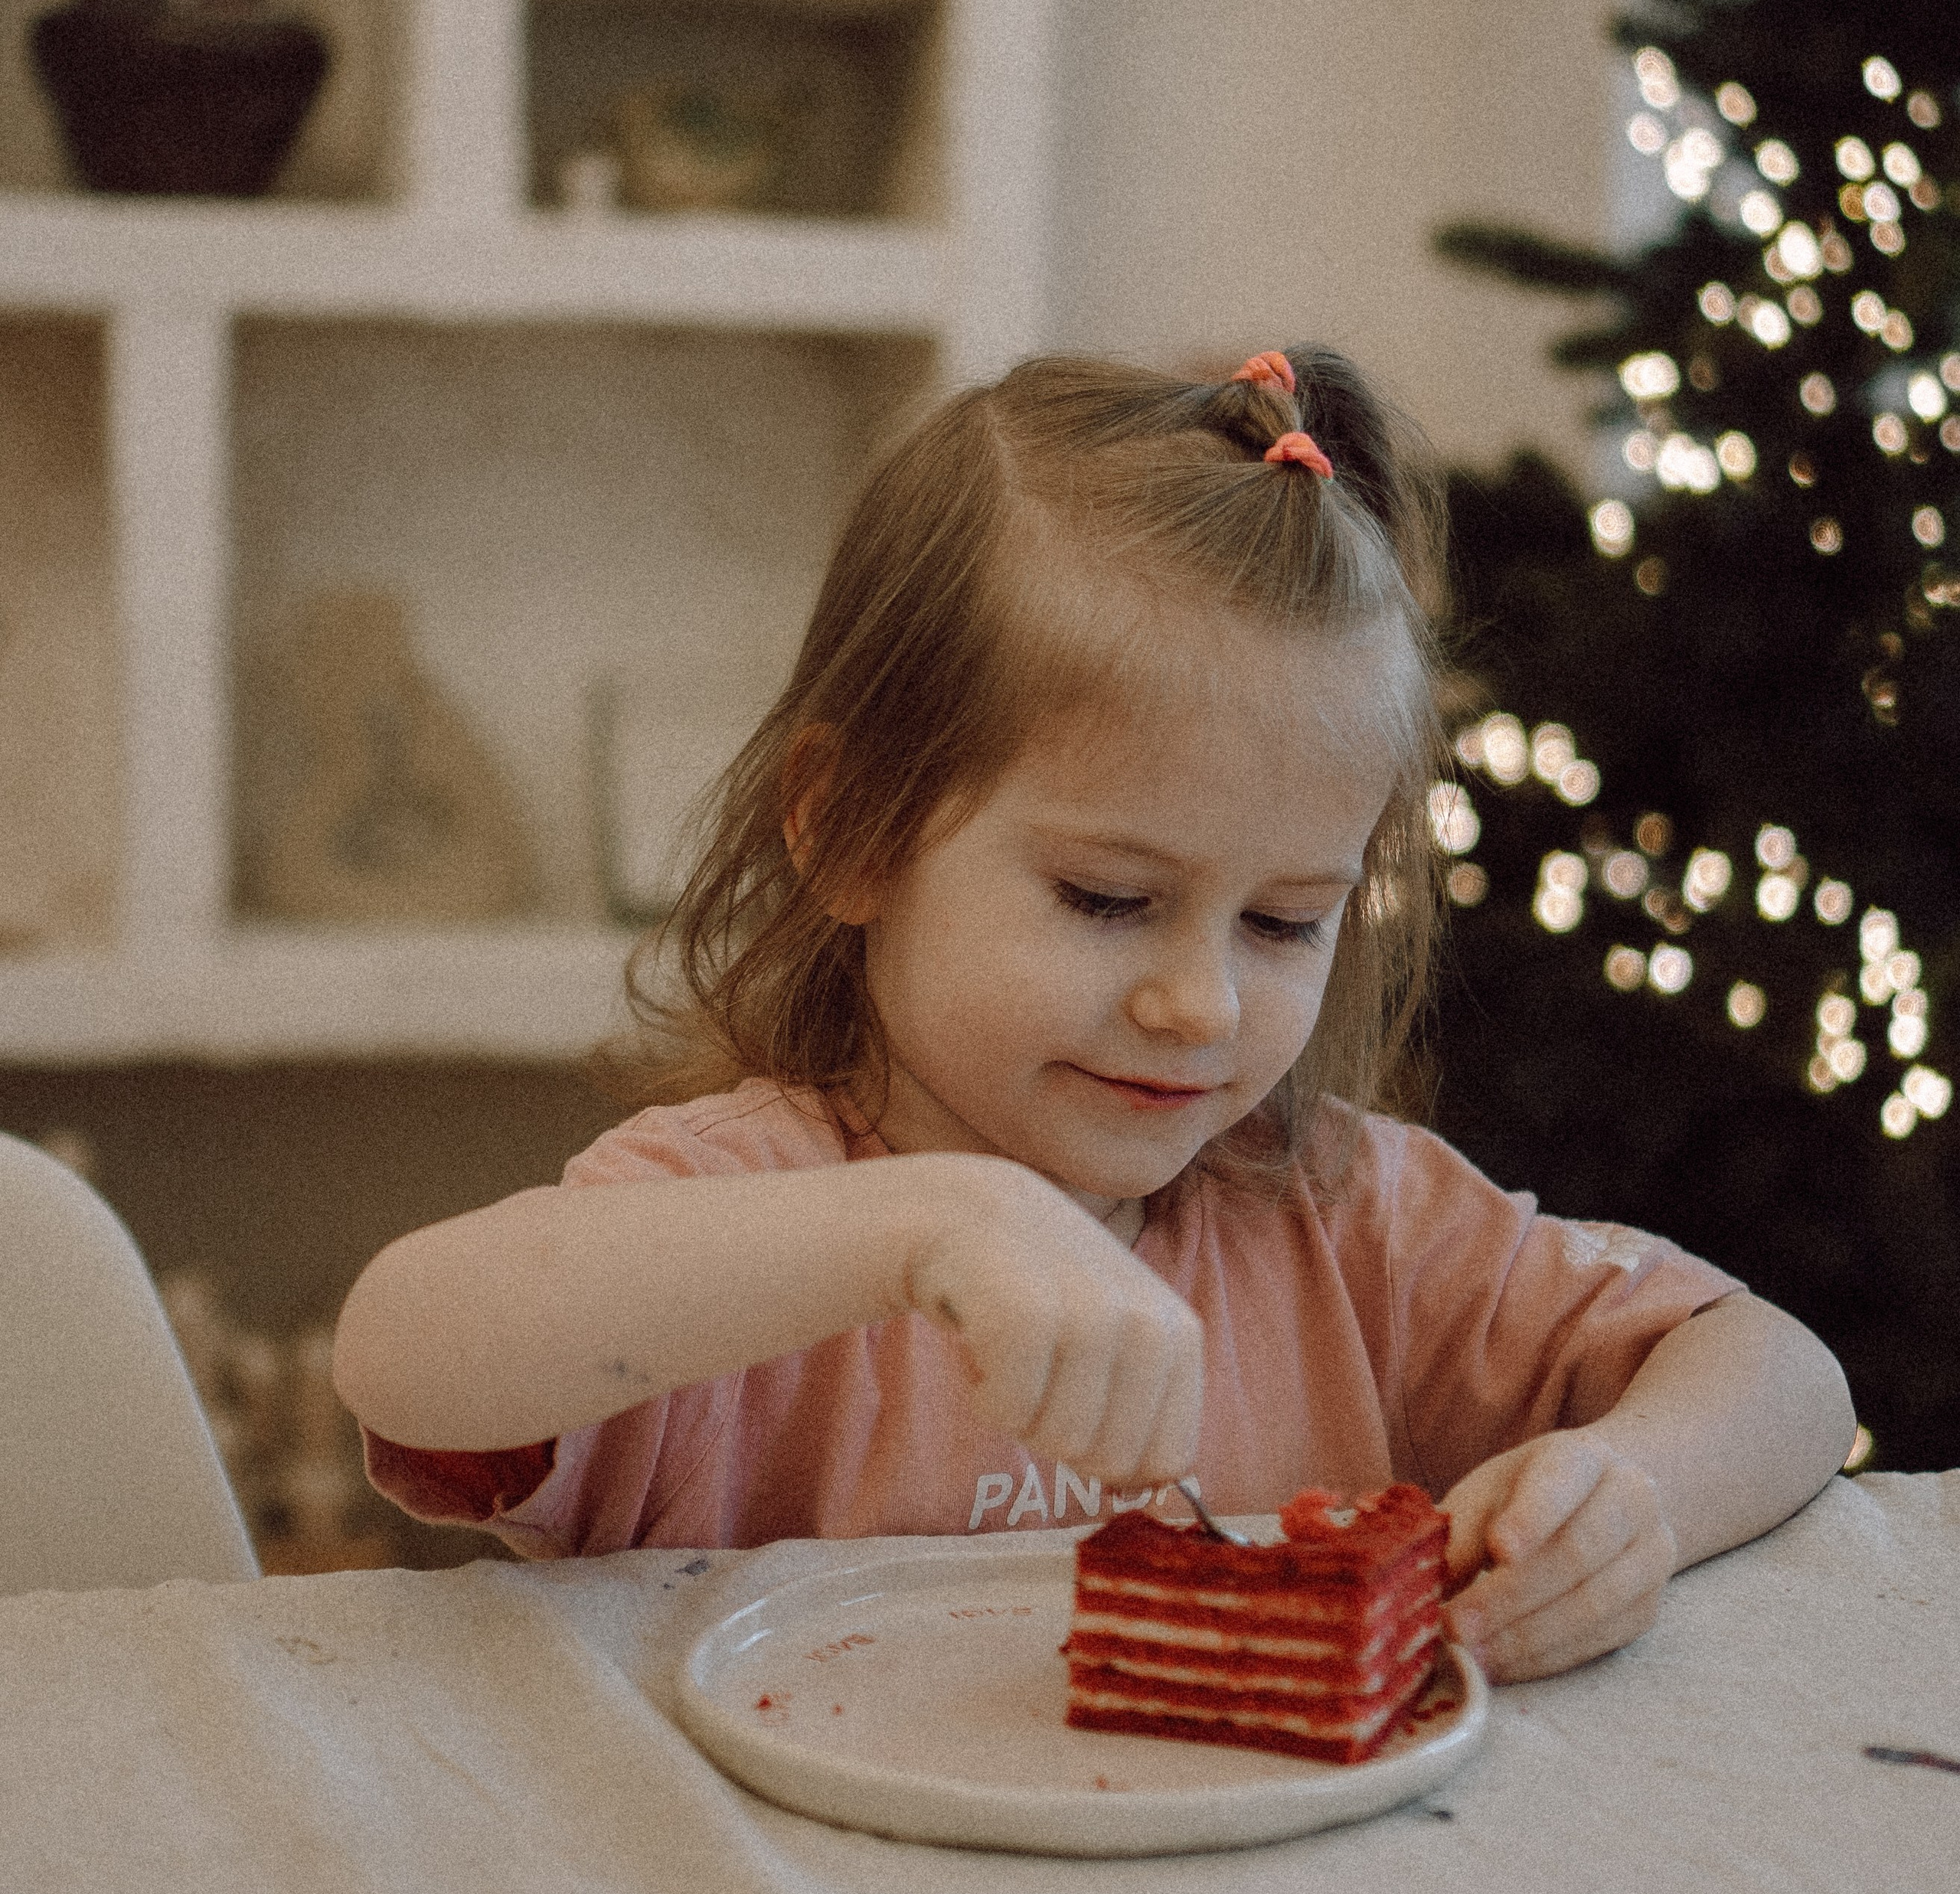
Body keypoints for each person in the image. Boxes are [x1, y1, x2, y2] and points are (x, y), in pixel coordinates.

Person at [334, 346, 1854, 1682]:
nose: (1195, 1004)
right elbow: (404, 1351)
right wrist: (931, 1227)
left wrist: (1628, 1496)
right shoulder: (750, 1212)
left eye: (1281, 921)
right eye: (1105, 899)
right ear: (851, 825)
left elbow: (1777, 1368)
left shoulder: (1349, 1225)